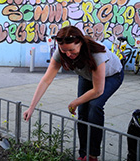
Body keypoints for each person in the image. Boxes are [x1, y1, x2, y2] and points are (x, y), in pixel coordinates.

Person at [23, 26, 124, 161]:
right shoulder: (61, 52)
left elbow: (98, 90)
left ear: (80, 42)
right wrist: (31, 107)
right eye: (64, 51)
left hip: (112, 76)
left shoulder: (96, 53)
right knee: (83, 113)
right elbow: (46, 80)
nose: (68, 54)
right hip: (86, 76)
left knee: (94, 106)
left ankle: (93, 155)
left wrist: (75, 102)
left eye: (72, 50)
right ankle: (83, 154)